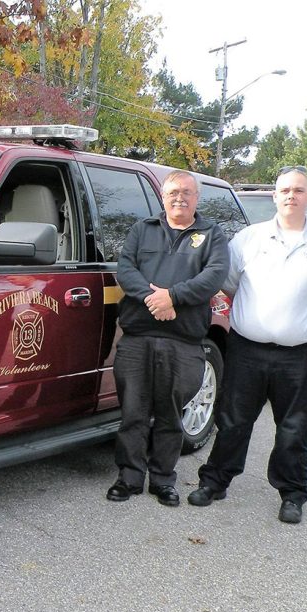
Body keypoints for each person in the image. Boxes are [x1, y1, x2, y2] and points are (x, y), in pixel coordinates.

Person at [188, 165, 307, 522]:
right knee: (233, 420)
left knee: (295, 427)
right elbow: (229, 286)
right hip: (247, 350)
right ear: (274, 196)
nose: (291, 196)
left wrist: (298, 315)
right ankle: (215, 481)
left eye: (298, 190)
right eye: (285, 190)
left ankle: (292, 493)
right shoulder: (249, 239)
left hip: (301, 355)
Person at [107, 170, 229, 507]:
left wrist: (172, 297)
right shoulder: (141, 230)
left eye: (187, 192)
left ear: (197, 198)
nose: (180, 198)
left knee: (170, 414)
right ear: (163, 196)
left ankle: (163, 480)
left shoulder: (212, 235)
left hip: (184, 341)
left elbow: (214, 276)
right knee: (132, 411)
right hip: (137, 338)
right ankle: (129, 477)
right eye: (174, 192)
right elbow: (126, 269)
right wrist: (154, 299)